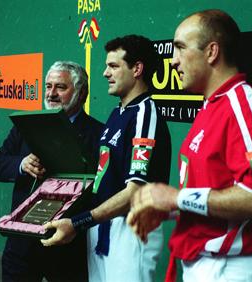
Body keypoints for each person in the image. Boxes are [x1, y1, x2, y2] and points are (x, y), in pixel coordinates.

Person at [127, 9, 252, 282]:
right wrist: (171, 208)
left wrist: (177, 198)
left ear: (212, 52)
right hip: (205, 266)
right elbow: (215, 191)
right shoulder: (210, 106)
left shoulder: (244, 105)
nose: (173, 62)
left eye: (180, 48)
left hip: (237, 270)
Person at [41, 35, 172, 282]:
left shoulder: (145, 115)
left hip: (131, 231)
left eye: (113, 66)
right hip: (101, 227)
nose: (105, 73)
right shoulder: (117, 113)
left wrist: (80, 221)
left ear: (137, 69)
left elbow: (135, 191)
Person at [0, 61, 104, 282]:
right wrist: (21, 165)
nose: (51, 93)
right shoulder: (26, 127)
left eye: (60, 87)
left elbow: (101, 192)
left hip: (68, 248)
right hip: (21, 246)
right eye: (48, 86)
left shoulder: (99, 134)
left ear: (82, 94)